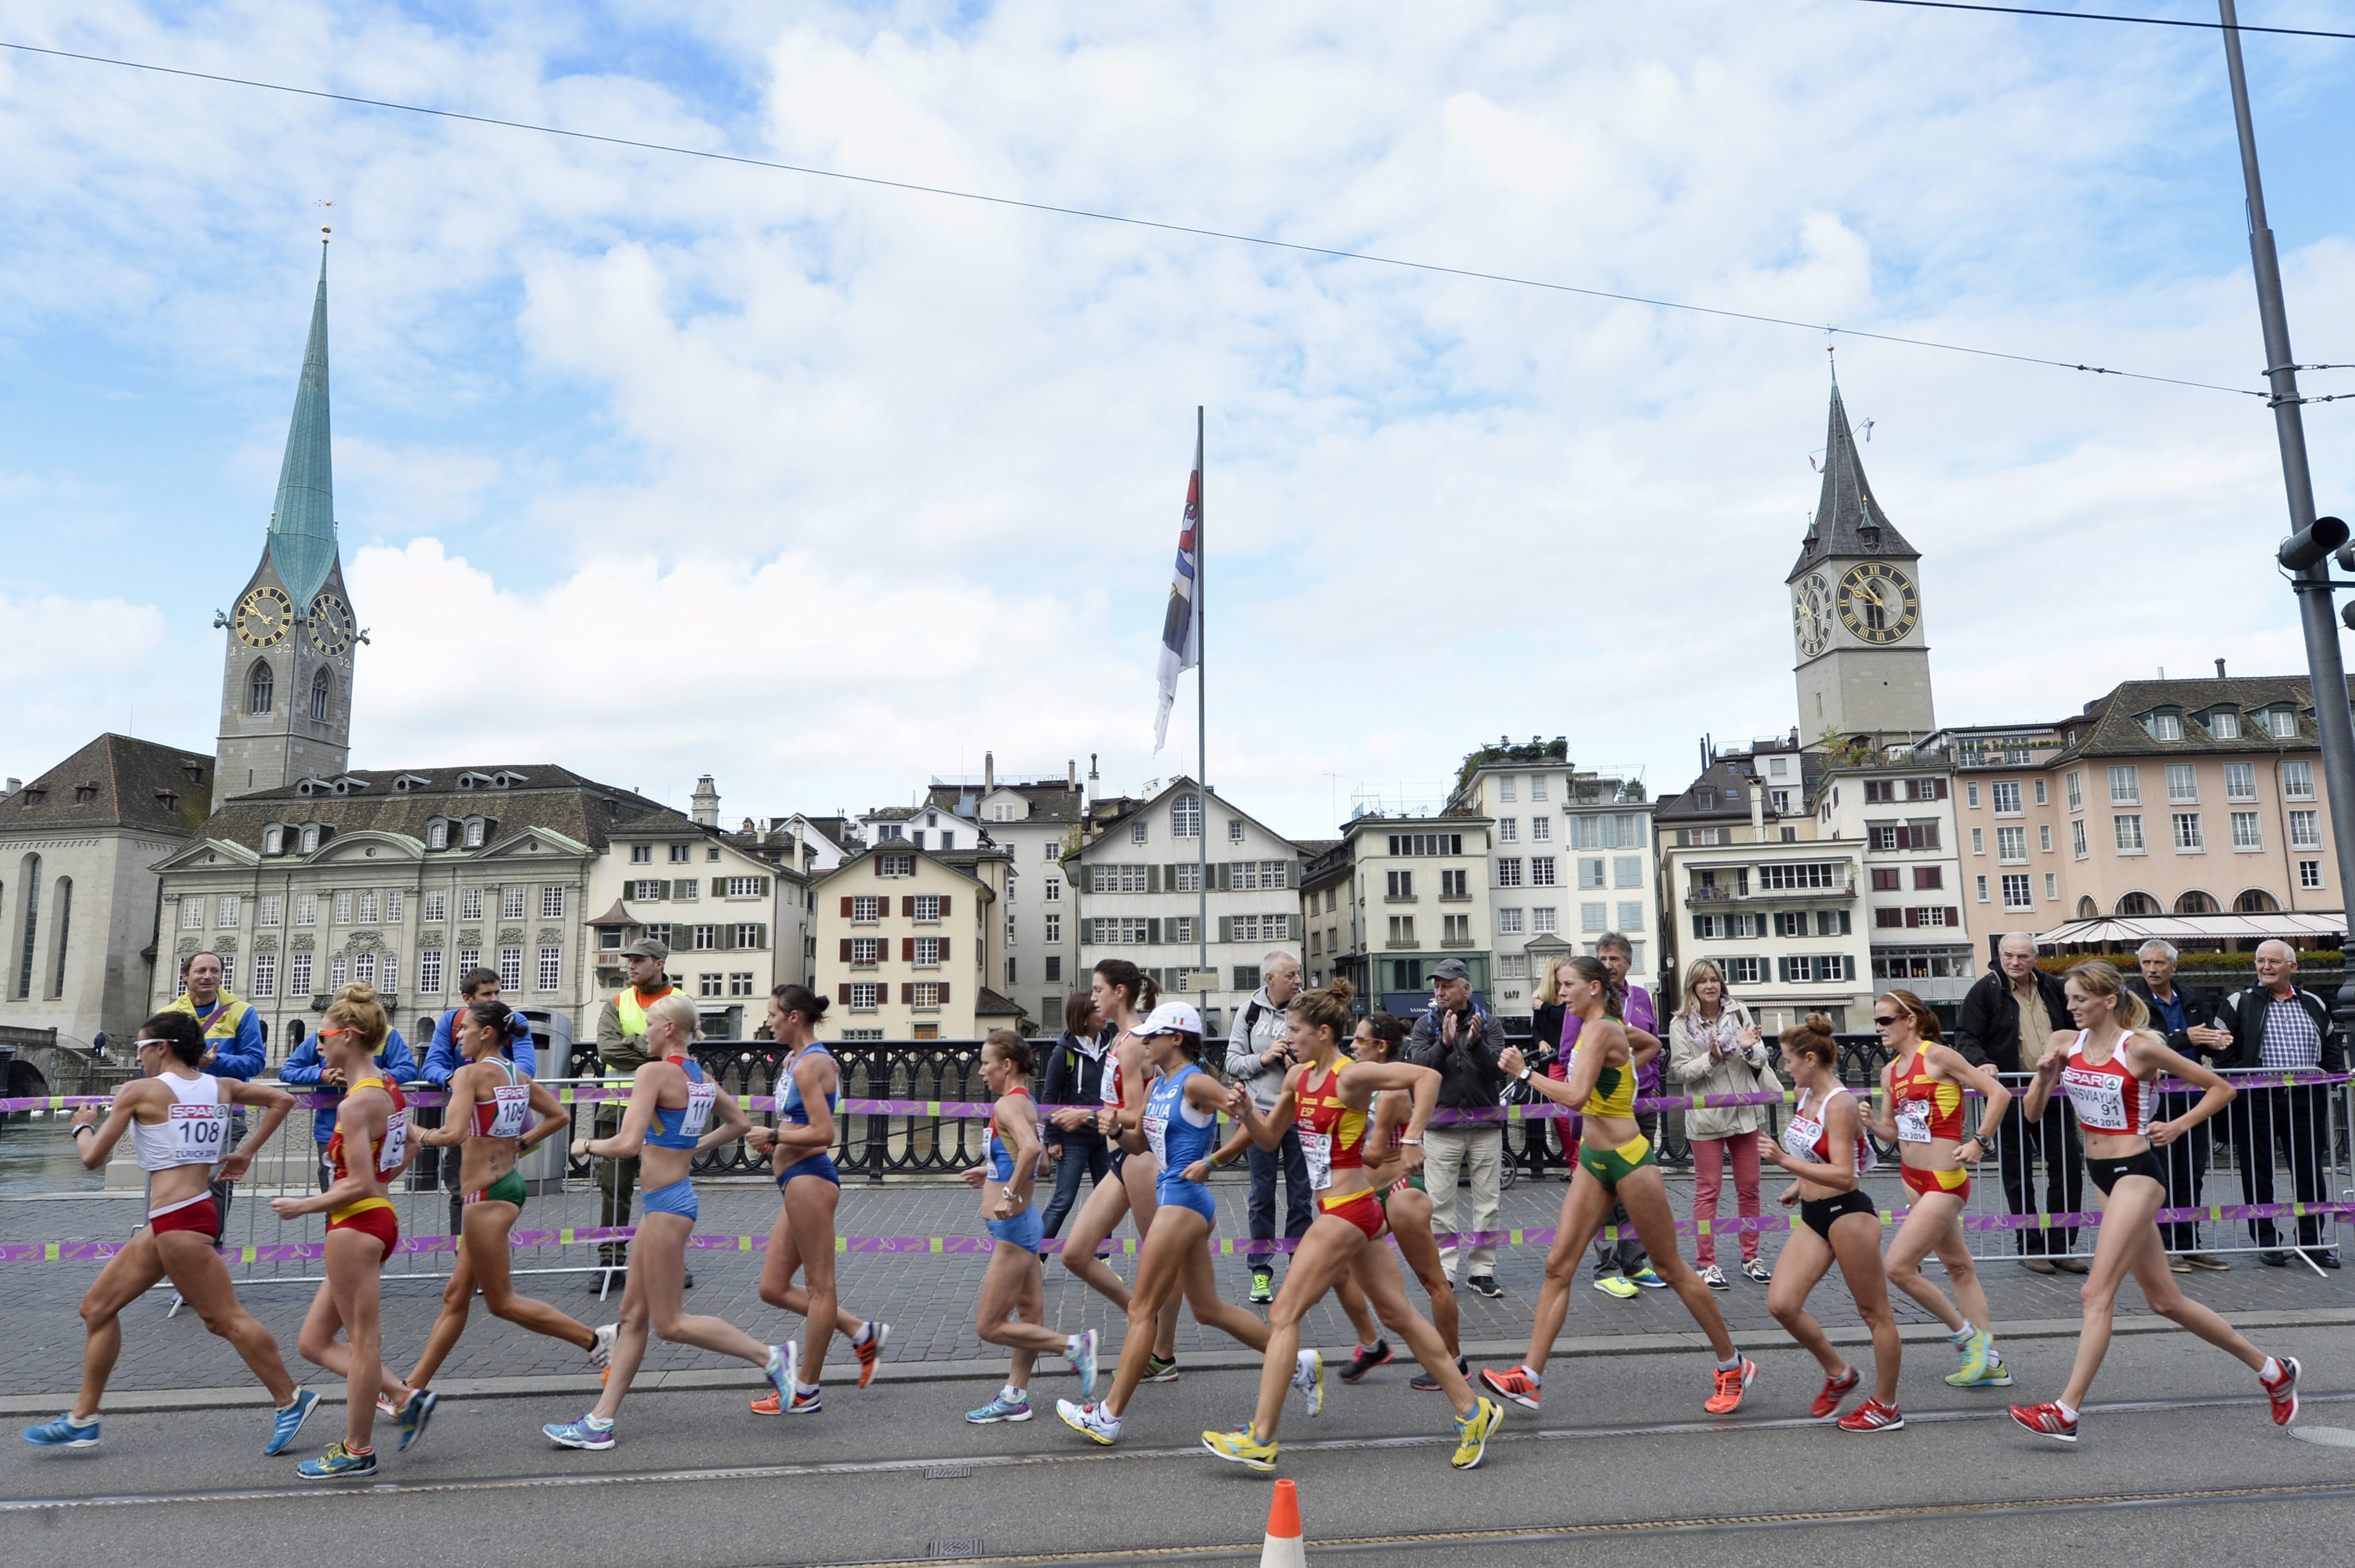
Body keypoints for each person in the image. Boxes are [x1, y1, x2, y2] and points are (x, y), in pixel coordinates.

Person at [1201, 980, 1503, 1473]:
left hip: (1348, 1210)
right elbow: (1269, 1138)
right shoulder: (1298, 1077)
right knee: (1399, 1314)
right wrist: (1245, 1114)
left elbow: (1427, 1077)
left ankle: (1261, 1437)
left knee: (1283, 1314)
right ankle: (1474, 1410)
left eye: (1295, 1030)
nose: (1287, 1038)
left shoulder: (1352, 1076)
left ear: (1324, 1032)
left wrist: (1413, 1139)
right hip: (1347, 1210)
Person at [2007, 961, 2301, 1443]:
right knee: (2165, 1301)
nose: (2071, 1006)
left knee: (2094, 1292)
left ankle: (2066, 1410)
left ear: (2108, 1000)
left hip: (2138, 1174)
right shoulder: (2063, 1042)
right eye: (2069, 998)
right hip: (2101, 1173)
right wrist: (2042, 1078)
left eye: (2080, 998)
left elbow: (2222, 1088)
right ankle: (2273, 1369)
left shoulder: (2139, 1048)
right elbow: (2033, 1114)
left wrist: (2179, 1125)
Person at [25, 1013, 316, 1455]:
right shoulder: (220, 1086)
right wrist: (244, 1153)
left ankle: (291, 1398)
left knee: (225, 1319)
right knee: (97, 1308)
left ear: (161, 1047)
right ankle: (83, 1418)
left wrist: (81, 1126)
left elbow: (92, 1158)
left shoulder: (139, 1091)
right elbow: (283, 1100)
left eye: (141, 1048)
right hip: (180, 1216)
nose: (138, 1057)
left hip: (179, 1221)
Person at [1479, 956, 1756, 1417]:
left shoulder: (1602, 1030)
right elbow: (1649, 1044)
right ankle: (1529, 1377)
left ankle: (1733, 1363)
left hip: (1629, 1159)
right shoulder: (1600, 1030)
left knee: (1670, 1267)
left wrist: (1524, 1072)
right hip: (1594, 1159)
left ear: (1593, 987)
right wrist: (1624, 1075)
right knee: (1557, 1265)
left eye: (1567, 984)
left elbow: (1575, 1096)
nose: (1560, 992)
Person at [544, 993, 792, 1451]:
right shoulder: (699, 1076)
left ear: (670, 1029)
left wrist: (586, 1145)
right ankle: (600, 1422)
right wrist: (690, 1147)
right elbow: (739, 1123)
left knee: (671, 1323)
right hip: (669, 1201)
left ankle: (773, 1357)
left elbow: (627, 1144)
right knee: (632, 1315)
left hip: (667, 1207)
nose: (644, 1032)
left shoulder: (653, 1073)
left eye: (651, 1023)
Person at [1056, 1001, 1294, 1447]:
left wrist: (1213, 1160)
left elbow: (1255, 1123)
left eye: (1153, 1035)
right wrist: (1114, 1129)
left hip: (1183, 1203)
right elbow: (1139, 1145)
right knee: (1208, 1309)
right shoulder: (1158, 1085)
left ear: (1177, 1038)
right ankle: (1293, 1361)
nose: (1145, 1041)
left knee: (1141, 1309)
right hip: (1177, 1199)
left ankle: (1108, 1415)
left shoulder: (1195, 1081)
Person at [400, 998, 611, 1397]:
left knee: (502, 1302)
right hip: (505, 1185)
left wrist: (415, 1134)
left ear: (486, 1033)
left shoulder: (470, 1074)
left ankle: (597, 1340)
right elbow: (561, 1116)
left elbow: (453, 1134)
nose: (458, 1036)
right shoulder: (514, 1072)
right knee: (456, 1295)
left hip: (486, 1194)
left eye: (464, 1029)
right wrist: (521, 1143)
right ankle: (411, 1390)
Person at [269, 988, 428, 1479]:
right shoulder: (389, 1088)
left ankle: (358, 1449)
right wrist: (376, 1184)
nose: (319, 1044)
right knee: (314, 1341)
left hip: (356, 1223)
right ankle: (404, 1396)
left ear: (349, 1037)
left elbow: (358, 1181)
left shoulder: (357, 1104)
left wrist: (303, 1205)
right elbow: (410, 1149)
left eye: (324, 1036)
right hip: (374, 1217)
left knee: (362, 1343)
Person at [745, 984, 888, 1414]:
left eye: (773, 1014)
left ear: (794, 1017)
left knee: (820, 1288)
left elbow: (825, 1134)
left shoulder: (813, 1064)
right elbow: (801, 1123)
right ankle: (861, 1331)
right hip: (794, 1178)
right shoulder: (794, 1060)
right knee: (772, 1287)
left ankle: (806, 1389)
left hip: (811, 1179)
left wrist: (775, 1135)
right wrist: (778, 1141)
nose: (768, 1021)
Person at [1758, 1014, 1904, 1432]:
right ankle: (1839, 1373)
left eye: (1789, 1060)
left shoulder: (1840, 1104)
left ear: (1810, 1059)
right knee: (1782, 1304)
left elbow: (1846, 1175)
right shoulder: (1805, 1094)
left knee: (1874, 1313)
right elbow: (1815, 1151)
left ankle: (1886, 1406)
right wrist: (1799, 1183)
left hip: (1849, 1215)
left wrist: (1785, 1162)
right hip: (1815, 1214)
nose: (1786, 1068)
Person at [1865, 989, 2014, 1390]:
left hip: (1945, 1179)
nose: (1879, 1028)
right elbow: (1892, 1132)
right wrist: (1872, 1124)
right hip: (1912, 1179)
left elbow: (1999, 1093)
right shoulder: (1889, 1072)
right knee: (1958, 1267)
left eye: (1885, 1020)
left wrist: (1980, 1141)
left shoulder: (1938, 1056)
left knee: (1898, 1266)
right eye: (1876, 1021)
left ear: (1910, 1020)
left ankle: (1968, 1340)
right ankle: (1991, 1363)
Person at [963, 1031, 1100, 1424]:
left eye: (986, 1062)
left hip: (1013, 1228)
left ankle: (1073, 1346)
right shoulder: (1028, 1103)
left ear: (1007, 1065)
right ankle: (1015, 1396)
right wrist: (991, 1170)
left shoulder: (1008, 1104)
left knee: (989, 1325)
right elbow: (1039, 1164)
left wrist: (1006, 1193)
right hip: (1024, 1224)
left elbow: (1032, 1150)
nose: (982, 1070)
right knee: (1028, 1313)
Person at [1054, 960, 1180, 1381]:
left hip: (1140, 1160)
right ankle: (1142, 1317)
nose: (1093, 997)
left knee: (1161, 1258)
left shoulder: (1132, 1043)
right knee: (1075, 1253)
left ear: (1119, 992)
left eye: (1098, 989)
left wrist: (1086, 1115)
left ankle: (1162, 1353)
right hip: (1122, 1160)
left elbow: (1138, 1114)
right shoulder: (1119, 1040)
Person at [2211, 940, 2344, 1268]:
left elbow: (2330, 1047)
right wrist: (2242, 1086)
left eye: (2274, 961)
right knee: (2258, 1171)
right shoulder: (2239, 1002)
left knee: (2310, 1171)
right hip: (2257, 1099)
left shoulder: (2313, 1002)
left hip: (2305, 1099)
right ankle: (2267, 1240)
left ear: (2292, 967)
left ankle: (2312, 1242)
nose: (2266, 967)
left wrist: (2328, 1079)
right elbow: (2221, 1050)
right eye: (2261, 961)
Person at [1955, 933, 2082, 1274]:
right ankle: (2030, 1246)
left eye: (2023, 956)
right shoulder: (1986, 990)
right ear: (1999, 955)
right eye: (2009, 955)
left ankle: (2061, 1246)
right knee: (2018, 1172)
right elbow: (1966, 1035)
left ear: (2035, 959)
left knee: (2067, 1166)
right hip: (2009, 1093)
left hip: (2052, 1088)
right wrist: (1981, 1061)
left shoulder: (2054, 987)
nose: (2015, 962)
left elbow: (2078, 1026)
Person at [1355, 1011, 1466, 1393]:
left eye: (1360, 1040)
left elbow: (1373, 1154)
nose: (1353, 1046)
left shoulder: (1391, 1092)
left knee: (1432, 1280)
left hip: (1401, 1190)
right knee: (1340, 1265)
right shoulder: (1366, 1084)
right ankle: (1371, 1343)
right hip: (1373, 1193)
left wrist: (1332, 1148)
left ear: (1380, 1047)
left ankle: (1454, 1360)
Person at [1403, 957, 1506, 1299]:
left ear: (1466, 988)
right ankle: (1445, 1270)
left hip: (1485, 1125)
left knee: (1488, 1203)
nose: (1440, 992)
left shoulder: (1489, 1024)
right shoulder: (1425, 1025)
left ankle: (1482, 1270)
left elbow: (1497, 1071)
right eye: (1437, 986)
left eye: (1447, 985)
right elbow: (1419, 1069)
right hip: (1441, 1127)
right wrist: (1445, 1044)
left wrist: (1475, 1043)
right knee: (1439, 1204)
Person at [2124, 941, 2231, 1271]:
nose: (2152, 969)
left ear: (2174, 967)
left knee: (2192, 1174)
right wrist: (2186, 1037)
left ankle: (2189, 1243)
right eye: (2146, 963)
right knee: (2161, 1176)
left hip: (2193, 1099)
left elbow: (2201, 1042)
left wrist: (2218, 1042)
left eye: (2159, 963)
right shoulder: (2132, 999)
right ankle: (2164, 1246)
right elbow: (2135, 1045)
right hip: (2155, 1100)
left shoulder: (2189, 997)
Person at [1667, 959, 1773, 1289]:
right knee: (1708, 1191)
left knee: (1750, 1188)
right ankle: (1706, 1263)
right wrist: (1711, 1058)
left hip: (1745, 1114)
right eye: (1702, 981)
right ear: (1693, 987)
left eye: (1714, 979)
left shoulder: (1738, 1012)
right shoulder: (1681, 1024)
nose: (1710, 986)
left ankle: (1751, 1257)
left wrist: (1748, 1050)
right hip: (1707, 1117)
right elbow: (1680, 1072)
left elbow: (1761, 1057)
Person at [1574, 935, 1667, 1298]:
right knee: (1605, 1193)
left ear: (1628, 963)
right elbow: (1569, 1055)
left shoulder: (1641, 998)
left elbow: (1654, 1044)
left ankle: (1635, 1263)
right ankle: (1608, 1268)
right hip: (1604, 1111)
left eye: (1615, 958)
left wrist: (1651, 1085)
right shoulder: (1585, 1003)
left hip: (1640, 1105)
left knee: (1635, 1192)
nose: (1609, 964)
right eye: (1602, 958)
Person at [589, 938, 684, 1283]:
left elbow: (681, 1048)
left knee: (667, 1187)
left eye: (638, 960)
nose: (630, 965)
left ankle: (670, 1260)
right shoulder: (617, 1002)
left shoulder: (681, 1001)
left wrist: (630, 1040)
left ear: (659, 963)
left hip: (666, 1107)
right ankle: (610, 1261)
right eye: (629, 959)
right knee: (614, 1188)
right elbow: (608, 1051)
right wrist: (656, 1052)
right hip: (618, 1107)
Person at [419, 966, 539, 1237]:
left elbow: (527, 1068)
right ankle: (464, 1252)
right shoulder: (451, 1022)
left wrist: (486, 1081)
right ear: (468, 998)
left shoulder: (513, 1021)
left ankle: (485, 1250)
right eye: (487, 994)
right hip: (464, 1119)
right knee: (459, 1192)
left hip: (497, 1125)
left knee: (495, 1191)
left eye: (497, 992)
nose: (494, 999)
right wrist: (455, 1080)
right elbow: (431, 1065)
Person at [1226, 952, 1315, 1304]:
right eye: (1291, 975)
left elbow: (1326, 1059)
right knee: (1261, 1195)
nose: (1298, 981)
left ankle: (1300, 1268)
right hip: (1261, 1114)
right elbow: (1232, 1061)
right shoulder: (1249, 1012)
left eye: (1299, 974)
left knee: (1301, 1196)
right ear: (1270, 979)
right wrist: (1263, 1059)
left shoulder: (1308, 1009)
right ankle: (1260, 1271)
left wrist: (1301, 1063)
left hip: (1301, 1112)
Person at [163, 950, 266, 1236]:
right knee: (180, 1182)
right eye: (201, 971)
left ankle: (210, 1241)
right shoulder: (169, 1016)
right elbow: (154, 1066)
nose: (208, 976)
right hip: (181, 1112)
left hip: (226, 1113)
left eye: (215, 971)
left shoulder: (242, 1012)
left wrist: (217, 1061)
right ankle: (181, 1240)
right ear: (185, 976)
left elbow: (255, 1062)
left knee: (214, 1178)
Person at [277, 991, 419, 1194]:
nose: (321, 1047)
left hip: (362, 1127)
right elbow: (288, 1070)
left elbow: (407, 1069)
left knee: (342, 1189)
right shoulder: (323, 1035)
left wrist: (362, 1080)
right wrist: (322, 1075)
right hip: (330, 1126)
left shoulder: (387, 1037)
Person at [1038, 993, 1114, 1249]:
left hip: (1104, 1137)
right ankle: (1035, 1257)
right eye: (1097, 1011)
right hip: (1073, 1140)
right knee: (1063, 1201)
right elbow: (1049, 1099)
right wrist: (1053, 1139)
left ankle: (1103, 1258)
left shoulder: (1110, 1045)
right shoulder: (1063, 1052)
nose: (1104, 1014)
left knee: (1107, 1201)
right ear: (1083, 1018)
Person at [1525, 957, 1569, 1180]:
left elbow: (1568, 1020)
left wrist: (1546, 1007)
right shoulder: (1541, 998)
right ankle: (1573, 1162)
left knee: (1579, 1114)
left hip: (1572, 1058)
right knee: (1561, 1115)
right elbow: (1535, 1029)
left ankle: (1581, 1163)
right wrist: (1540, 1041)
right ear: (1554, 974)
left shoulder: (1568, 997)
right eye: (1563, 970)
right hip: (1554, 1061)